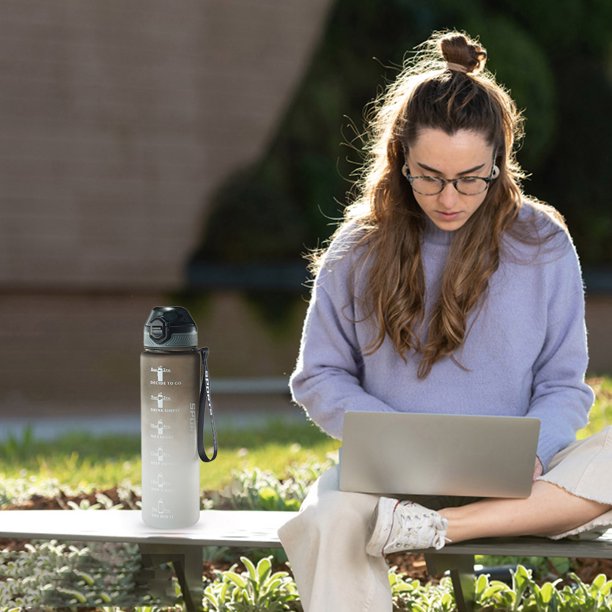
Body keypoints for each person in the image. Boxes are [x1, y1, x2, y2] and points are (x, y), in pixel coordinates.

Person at [278, 30, 612, 611]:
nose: (449, 198)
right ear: (399, 159)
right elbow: (319, 375)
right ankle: (411, 519)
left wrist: (534, 453)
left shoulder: (543, 242)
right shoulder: (358, 246)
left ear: (498, 164)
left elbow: (562, 384)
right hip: (387, 482)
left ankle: (443, 528)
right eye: (428, 176)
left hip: (520, 480)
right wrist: (397, 441)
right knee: (329, 517)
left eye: (470, 178)